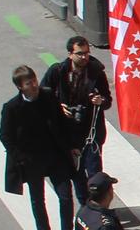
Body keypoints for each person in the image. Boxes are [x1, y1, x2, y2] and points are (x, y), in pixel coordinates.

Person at [2, 63, 79, 230]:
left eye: (34, 81)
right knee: (38, 199)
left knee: (66, 196)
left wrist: (71, 146)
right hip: (32, 161)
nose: (34, 85)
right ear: (21, 86)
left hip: (55, 156)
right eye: (29, 83)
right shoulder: (12, 108)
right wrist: (19, 158)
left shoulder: (48, 96)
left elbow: (61, 123)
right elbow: (6, 136)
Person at [42, 36, 111, 181]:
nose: (84, 57)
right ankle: (84, 201)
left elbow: (108, 101)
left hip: (91, 130)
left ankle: (95, 201)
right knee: (76, 172)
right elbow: (43, 96)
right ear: (70, 54)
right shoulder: (57, 72)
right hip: (68, 130)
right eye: (80, 53)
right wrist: (58, 107)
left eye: (86, 52)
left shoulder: (96, 73)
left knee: (94, 172)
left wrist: (100, 101)